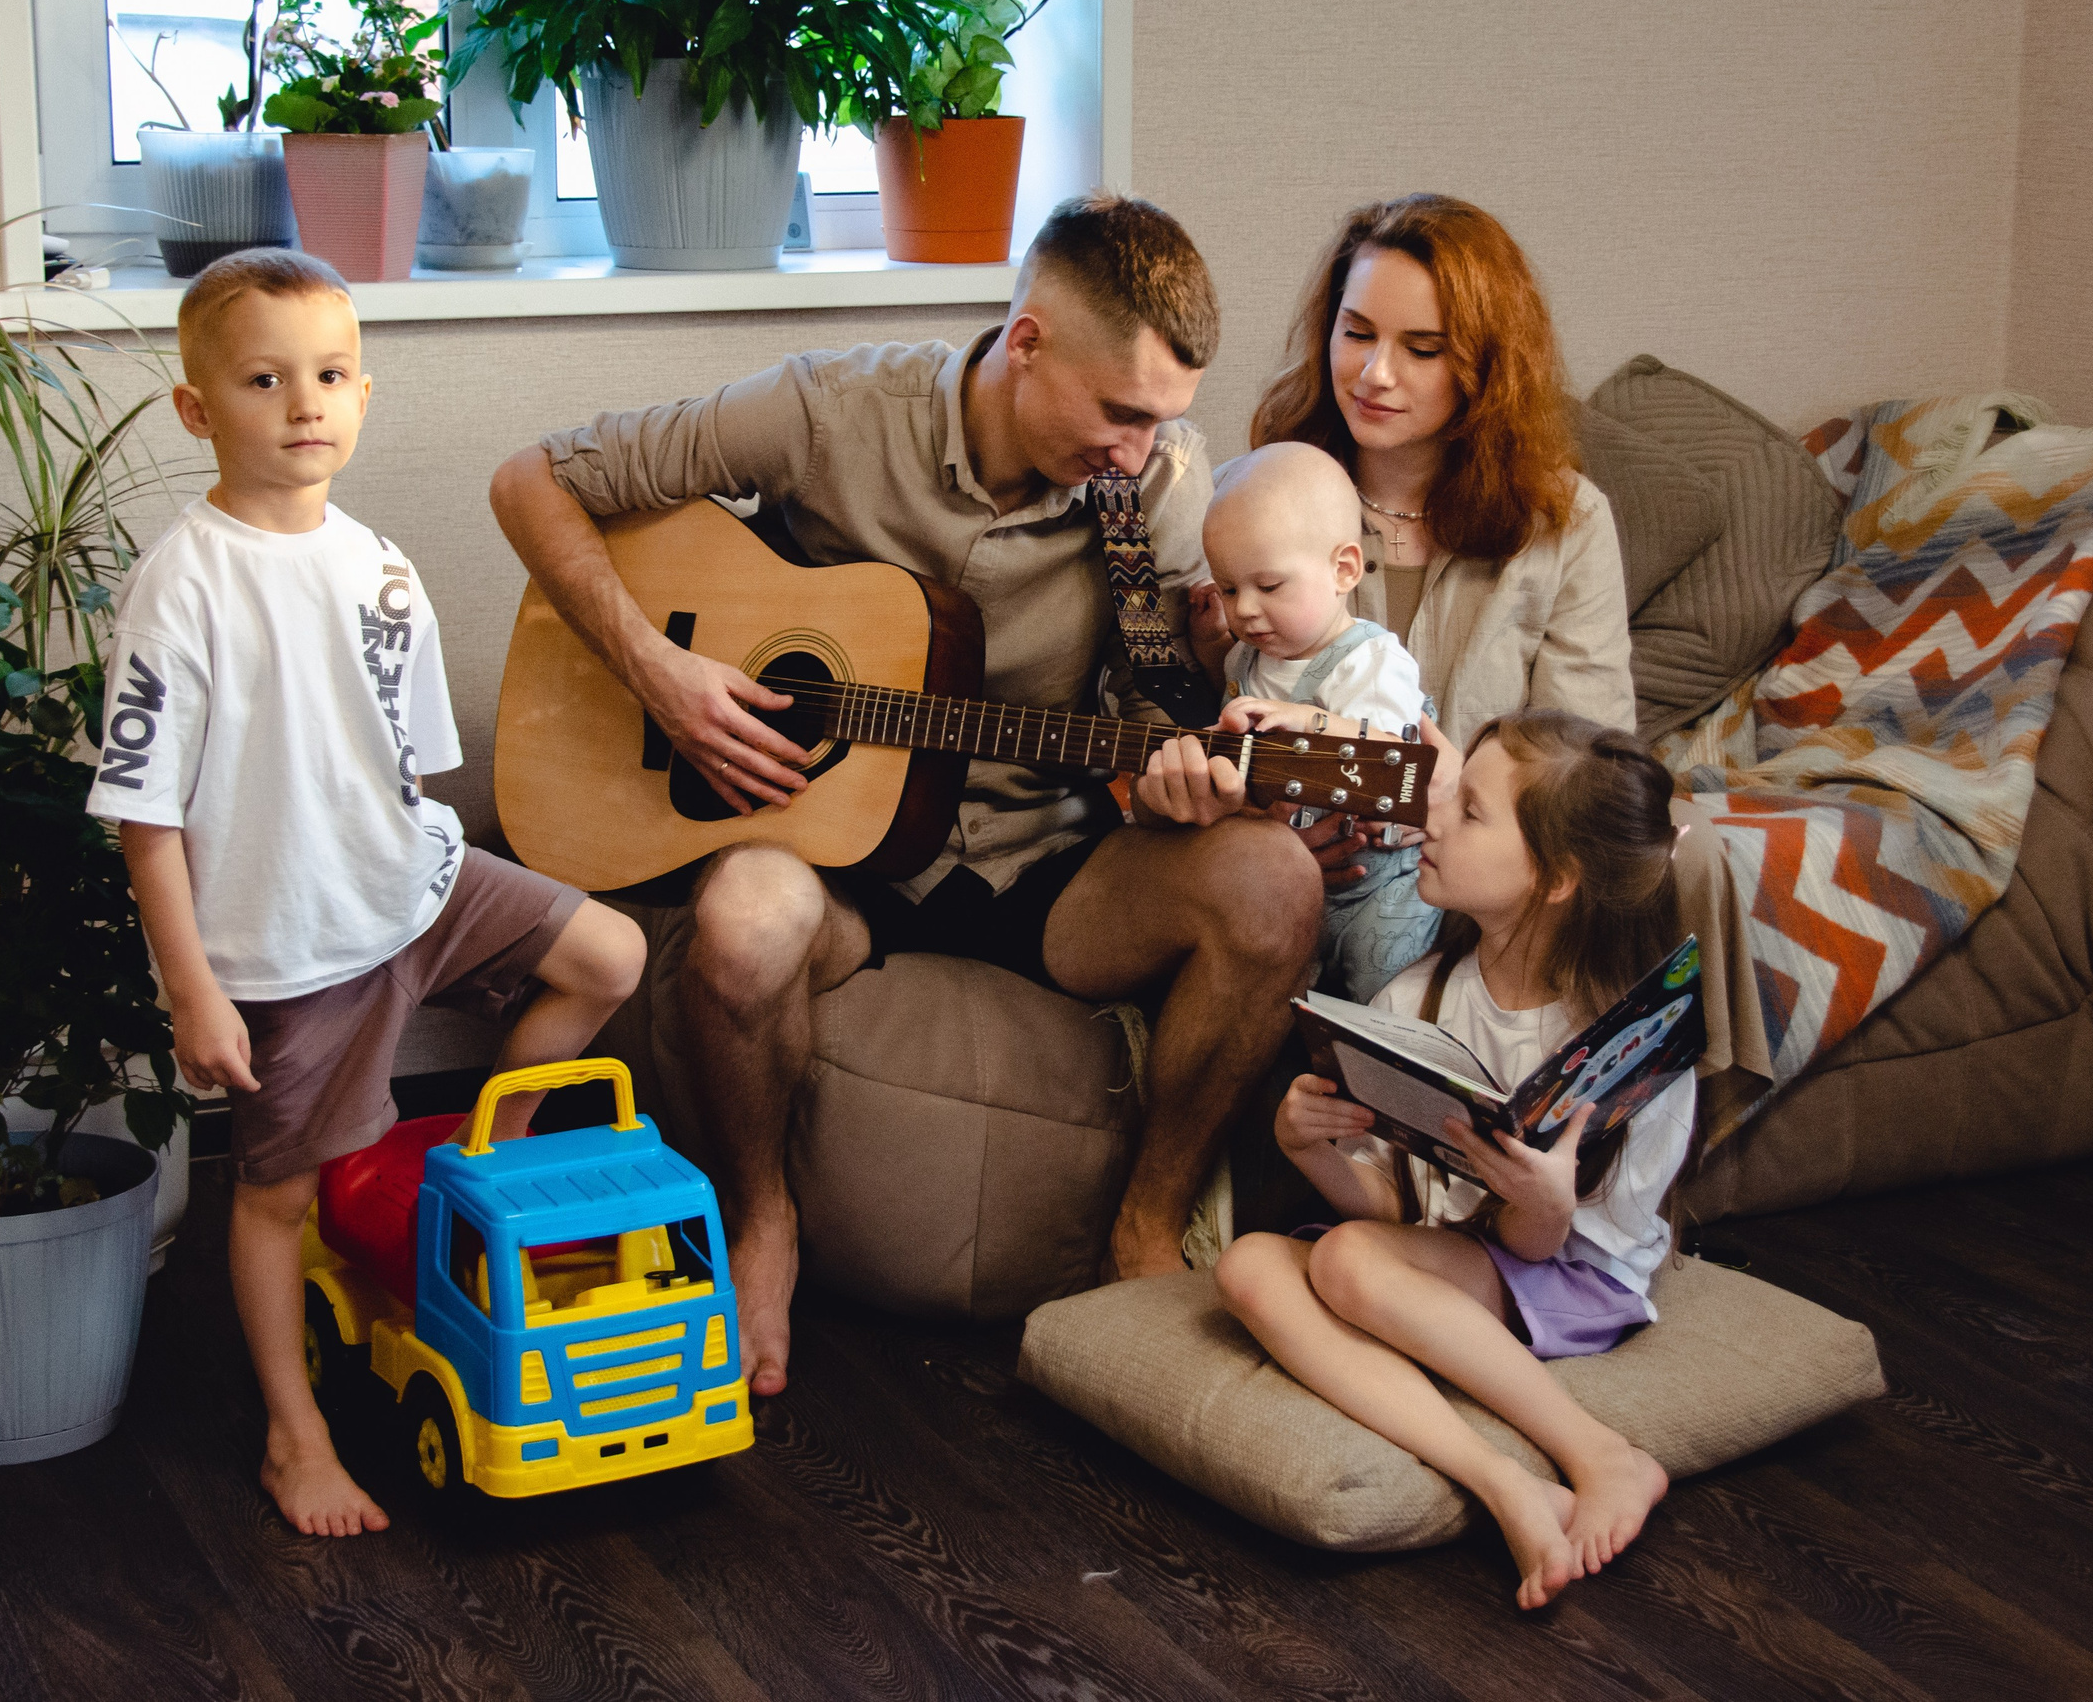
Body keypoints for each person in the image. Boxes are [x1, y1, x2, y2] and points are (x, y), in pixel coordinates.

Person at [489, 194, 1322, 1400]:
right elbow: (534, 482)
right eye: (1121, 412)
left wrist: (1181, 768)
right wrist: (659, 674)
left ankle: (1146, 1221)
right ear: (1026, 342)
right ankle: (758, 1219)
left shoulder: (1150, 492)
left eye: (1163, 422)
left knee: (1272, 879)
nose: (1140, 451)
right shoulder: (829, 411)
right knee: (742, 922)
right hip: (835, 863)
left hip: (1044, 863)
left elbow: (1150, 713)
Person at [89, 250, 646, 1538]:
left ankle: (471, 1174)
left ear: (363, 392)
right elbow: (143, 811)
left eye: (330, 375)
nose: (304, 404)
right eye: (266, 378)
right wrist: (195, 993)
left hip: (416, 883)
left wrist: (424, 873)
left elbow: (397, 771)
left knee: (610, 957)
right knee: (277, 1195)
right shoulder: (184, 585)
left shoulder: (380, 565)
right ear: (197, 408)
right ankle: (295, 1438)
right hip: (290, 947)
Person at [1215, 709, 1688, 1611]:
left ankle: (1604, 1454)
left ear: (1554, 877)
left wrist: (1543, 1204)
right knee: (1249, 1267)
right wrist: (1304, 1147)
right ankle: (1508, 1482)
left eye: (1468, 810)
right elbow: (1395, 1211)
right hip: (1458, 1253)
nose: (1430, 818)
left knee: (1345, 1262)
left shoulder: (1626, 1042)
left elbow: (1545, 1245)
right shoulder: (1419, 995)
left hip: (1573, 1270)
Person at [1249, 194, 1635, 752]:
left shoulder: (1569, 525)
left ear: (1490, 366)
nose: (1375, 374)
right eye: (1357, 334)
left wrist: (1459, 802)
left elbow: (1588, 770)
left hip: (1494, 837)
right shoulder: (1260, 491)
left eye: (1424, 349)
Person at [1186, 441, 1439, 1000]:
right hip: (1296, 884)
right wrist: (1209, 652)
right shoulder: (1246, 657)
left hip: (1381, 887)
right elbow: (1234, 722)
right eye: (1230, 588)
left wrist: (1307, 718)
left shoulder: (1370, 662)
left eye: (1268, 586)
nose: (1245, 609)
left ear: (1344, 569)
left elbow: (1392, 760)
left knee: (1385, 991)